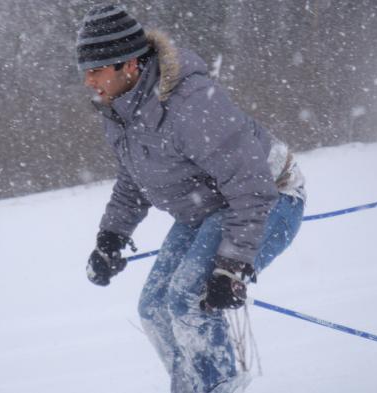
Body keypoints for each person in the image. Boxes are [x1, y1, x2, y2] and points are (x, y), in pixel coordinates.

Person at [77, 4, 306, 393]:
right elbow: (134, 178)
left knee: (188, 301)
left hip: (269, 198)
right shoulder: (119, 111)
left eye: (96, 70)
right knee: (153, 309)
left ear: (128, 65)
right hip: (206, 208)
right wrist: (110, 237)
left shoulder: (190, 102)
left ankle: (216, 386)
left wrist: (232, 267)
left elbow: (251, 187)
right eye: (85, 71)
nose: (88, 81)